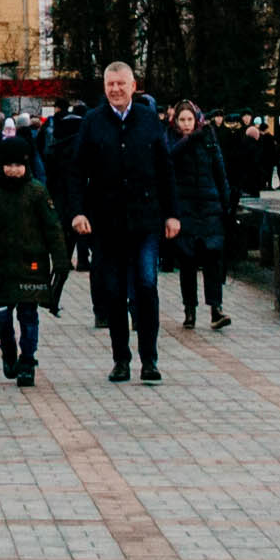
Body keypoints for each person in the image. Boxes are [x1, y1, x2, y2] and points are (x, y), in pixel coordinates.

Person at [57, 58, 173, 383]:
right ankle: (121, 359)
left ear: (133, 86)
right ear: (105, 87)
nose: (116, 89)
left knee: (147, 286)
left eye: (122, 84)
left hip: (145, 221)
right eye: (111, 84)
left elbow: (166, 171)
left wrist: (172, 213)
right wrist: (78, 212)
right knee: (114, 291)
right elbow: (76, 171)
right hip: (106, 224)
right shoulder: (93, 122)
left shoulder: (150, 121)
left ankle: (149, 360)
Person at [0, 133, 68, 386]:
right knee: (1, 314)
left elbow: (52, 227)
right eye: (9, 165)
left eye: (19, 165)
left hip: (32, 264)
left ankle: (27, 360)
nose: (14, 170)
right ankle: (8, 349)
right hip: (3, 265)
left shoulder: (37, 191)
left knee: (28, 315)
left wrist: (60, 260)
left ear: (26, 165)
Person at [160, 99, 236, 332]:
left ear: (196, 120)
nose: (186, 124)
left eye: (189, 120)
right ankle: (189, 310)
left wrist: (226, 203)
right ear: (176, 121)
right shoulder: (170, 139)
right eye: (182, 120)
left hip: (209, 206)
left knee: (213, 258)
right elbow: (167, 164)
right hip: (185, 208)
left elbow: (219, 171)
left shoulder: (209, 140)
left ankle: (216, 308)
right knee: (188, 261)